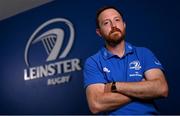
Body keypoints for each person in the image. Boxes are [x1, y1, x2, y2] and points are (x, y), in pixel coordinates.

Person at [83, 6, 169, 115]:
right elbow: (96, 104)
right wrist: (142, 88)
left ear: (124, 25)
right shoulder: (93, 62)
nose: (113, 26)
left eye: (117, 20)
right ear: (99, 32)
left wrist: (115, 86)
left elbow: (161, 89)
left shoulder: (143, 53)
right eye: (106, 23)